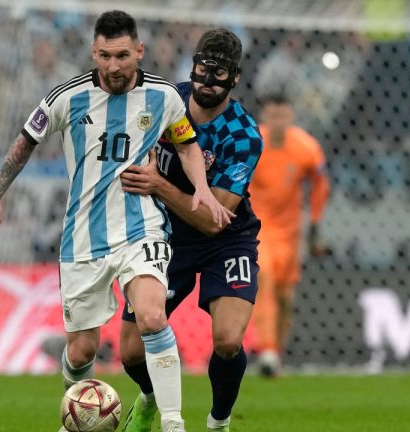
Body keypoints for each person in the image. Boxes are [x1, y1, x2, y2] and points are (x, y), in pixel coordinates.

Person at [0, 11, 232, 432]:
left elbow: (186, 144)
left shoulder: (164, 96)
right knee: (81, 352)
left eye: (122, 56)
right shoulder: (66, 98)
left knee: (152, 317)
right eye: (106, 56)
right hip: (82, 238)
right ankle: (77, 420)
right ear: (94, 52)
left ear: (139, 51)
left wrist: (201, 186)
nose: (114, 66)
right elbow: (25, 143)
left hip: (141, 227)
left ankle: (173, 423)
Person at [118, 29, 263, 432]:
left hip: (226, 240)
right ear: (193, 66)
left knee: (228, 341)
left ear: (235, 78)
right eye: (203, 69)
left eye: (220, 74)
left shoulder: (243, 136)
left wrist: (158, 185)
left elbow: (214, 220)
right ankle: (150, 397)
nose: (208, 81)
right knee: (130, 352)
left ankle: (219, 421)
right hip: (166, 237)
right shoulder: (166, 101)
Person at [249, 94, 330, 377]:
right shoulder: (252, 142)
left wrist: (315, 226)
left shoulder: (305, 147)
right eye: (273, 116)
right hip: (256, 228)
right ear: (264, 117)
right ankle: (266, 349)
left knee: (285, 297)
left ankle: (275, 354)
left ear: (291, 116)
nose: (278, 122)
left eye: (283, 116)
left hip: (290, 233)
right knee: (263, 276)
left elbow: (320, 184)